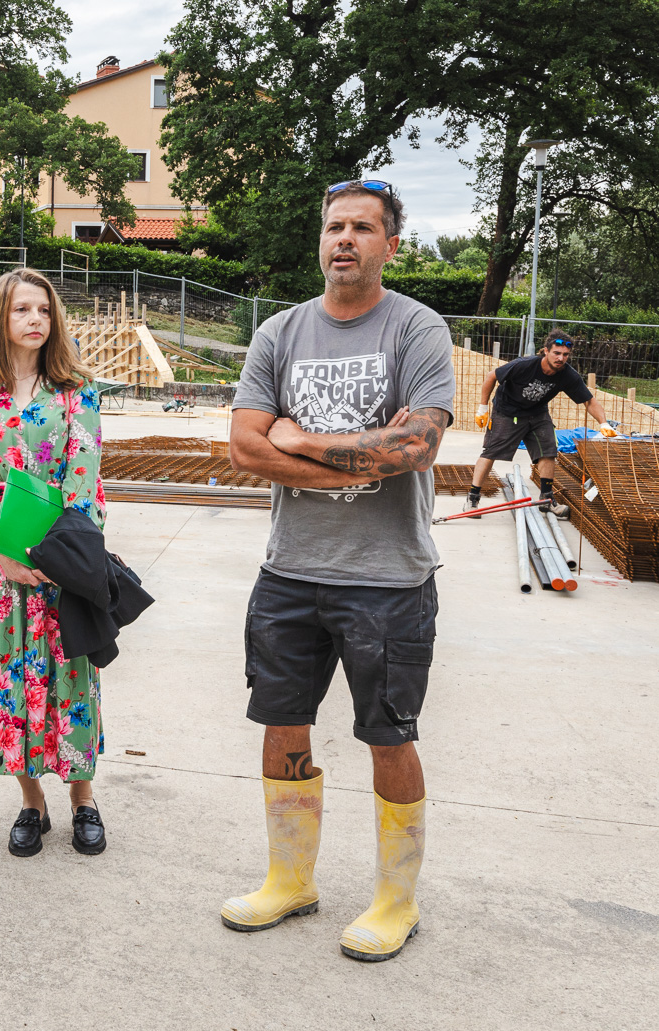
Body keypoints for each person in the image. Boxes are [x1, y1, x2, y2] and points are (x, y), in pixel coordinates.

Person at [223, 179, 456, 962]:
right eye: (334, 226)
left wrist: (303, 442)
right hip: (290, 571)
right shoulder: (281, 332)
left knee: (388, 734)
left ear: (391, 243)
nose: (344, 239)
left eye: (363, 227)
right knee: (281, 722)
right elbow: (245, 446)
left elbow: (416, 448)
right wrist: (354, 458)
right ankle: (291, 878)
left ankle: (396, 897)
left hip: (388, 578)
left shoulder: (417, 329)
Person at [0, 268, 109, 857]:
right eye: (21, 310)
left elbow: (84, 480)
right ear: (0, 318)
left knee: (69, 682)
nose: (35, 319)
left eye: (43, 309)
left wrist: (46, 557)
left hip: (59, 569)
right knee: (8, 686)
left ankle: (84, 800)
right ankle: (31, 802)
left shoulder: (77, 391)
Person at [465, 331, 617, 515]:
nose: (561, 358)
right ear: (546, 351)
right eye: (557, 353)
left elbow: (589, 401)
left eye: (565, 355)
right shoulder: (525, 365)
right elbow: (492, 376)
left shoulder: (568, 375)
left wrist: (603, 423)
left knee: (548, 451)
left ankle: (547, 500)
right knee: (491, 452)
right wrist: (483, 408)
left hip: (537, 414)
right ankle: (473, 498)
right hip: (507, 412)